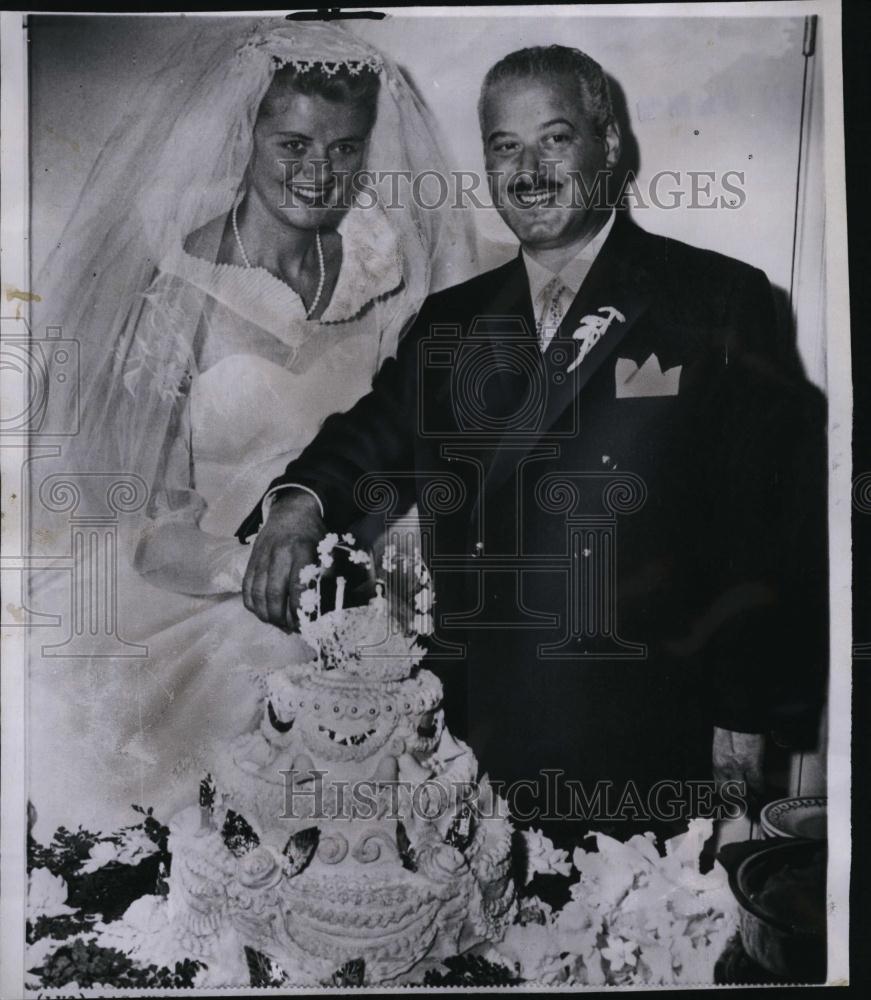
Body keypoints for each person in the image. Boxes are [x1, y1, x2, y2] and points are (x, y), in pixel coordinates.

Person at [238, 45, 828, 842]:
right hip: (468, 742)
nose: (528, 170)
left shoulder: (716, 299)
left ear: (607, 144)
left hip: (646, 741)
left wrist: (746, 717)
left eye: (553, 139)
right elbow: (373, 431)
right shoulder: (451, 320)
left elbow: (769, 526)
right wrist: (296, 505)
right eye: (504, 147)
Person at [27, 19, 475, 838]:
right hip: (200, 593)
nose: (318, 172)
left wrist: (378, 575)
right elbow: (144, 527)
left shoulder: (386, 279)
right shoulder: (178, 294)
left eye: (344, 148)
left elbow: (404, 450)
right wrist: (261, 572)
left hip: (360, 590)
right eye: (292, 144)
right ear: (246, 135)